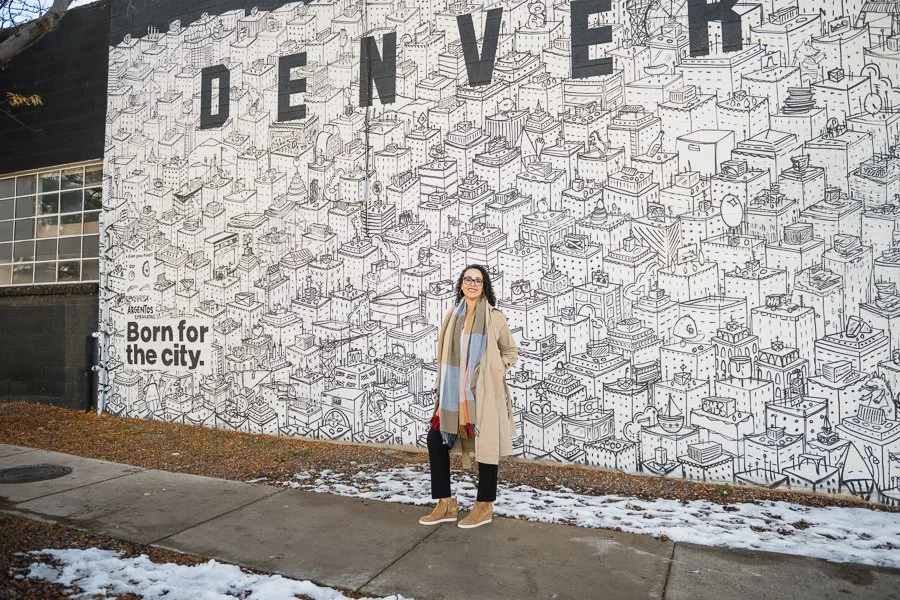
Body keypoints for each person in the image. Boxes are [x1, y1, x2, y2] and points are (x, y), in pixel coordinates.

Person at [419, 264, 519, 529]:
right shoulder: (454, 316)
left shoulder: (494, 317)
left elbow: (510, 351)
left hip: (483, 393)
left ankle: (484, 505)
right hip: (453, 394)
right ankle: (446, 503)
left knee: (487, 449)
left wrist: (494, 371)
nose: (472, 284)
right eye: (467, 279)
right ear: (461, 285)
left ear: (484, 285)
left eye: (478, 280)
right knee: (435, 440)